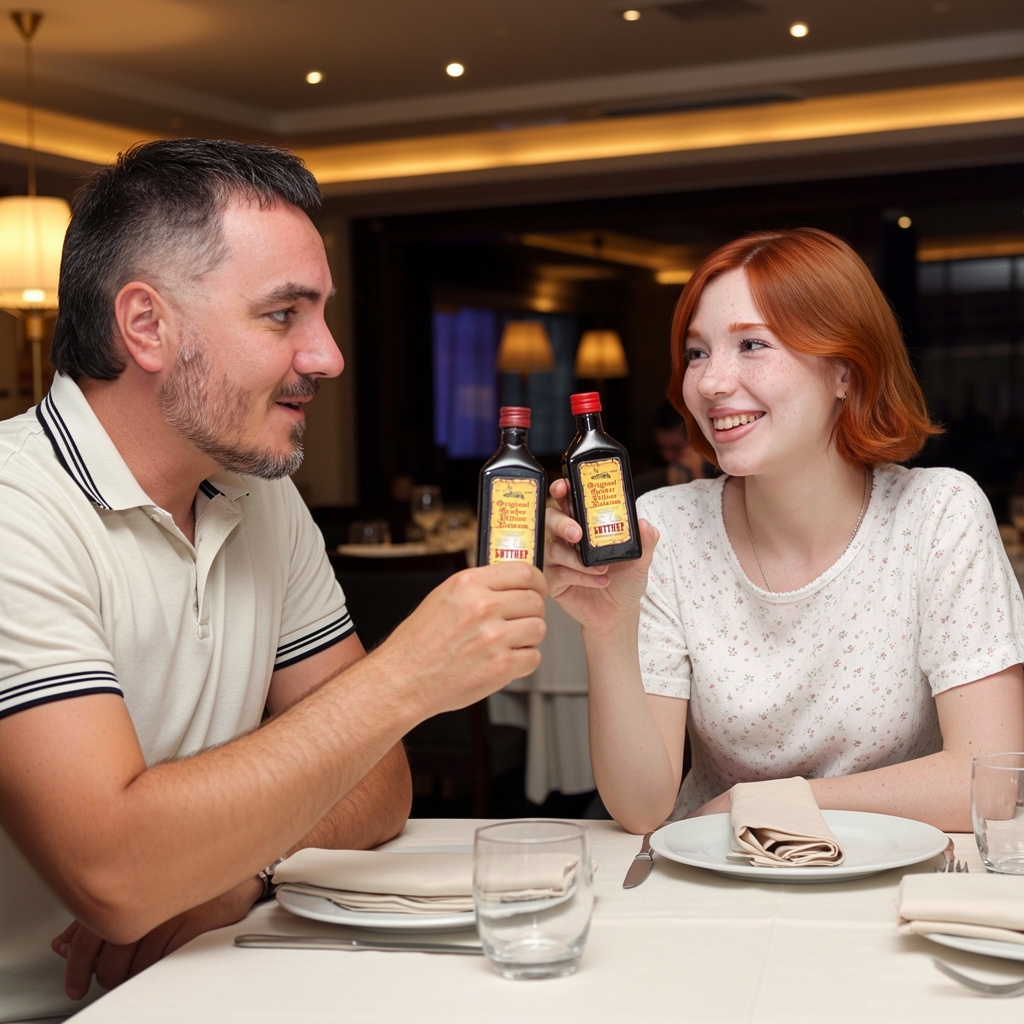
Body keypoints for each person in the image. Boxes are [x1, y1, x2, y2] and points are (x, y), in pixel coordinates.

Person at [0, 139, 547, 1022]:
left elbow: (380, 784)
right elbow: (116, 872)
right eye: (283, 314)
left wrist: (236, 873)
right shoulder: (14, 510)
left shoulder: (259, 495)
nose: (327, 356)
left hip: (209, 984)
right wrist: (405, 676)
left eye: (320, 315)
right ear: (146, 326)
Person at [545, 227, 1024, 836]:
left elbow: (989, 785)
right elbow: (642, 809)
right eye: (697, 353)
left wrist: (766, 802)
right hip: (721, 871)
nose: (711, 382)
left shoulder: (938, 513)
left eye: (752, 344)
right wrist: (607, 629)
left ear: (845, 372)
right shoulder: (664, 527)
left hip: (898, 873)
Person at [633, 400, 709, 496]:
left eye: (676, 448)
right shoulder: (645, 485)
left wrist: (697, 474)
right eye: (662, 448)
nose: (667, 455)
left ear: (698, 441)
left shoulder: (722, 476)